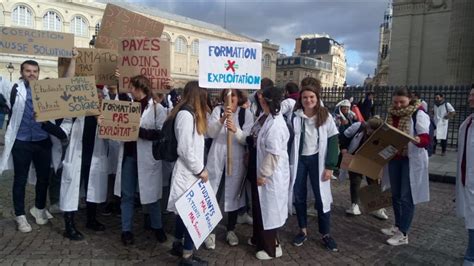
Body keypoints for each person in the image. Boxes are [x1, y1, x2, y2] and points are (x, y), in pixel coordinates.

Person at [0, 51, 76, 233]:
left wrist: (73, 59)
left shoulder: (47, 90)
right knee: (20, 179)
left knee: (44, 178)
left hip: (42, 142)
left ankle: (39, 209)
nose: (32, 74)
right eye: (28, 71)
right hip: (21, 142)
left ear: (39, 73)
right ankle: (20, 216)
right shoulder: (13, 89)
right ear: (22, 72)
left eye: (35, 71)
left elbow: (67, 83)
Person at [111, 75, 167, 245]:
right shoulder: (127, 106)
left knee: (152, 195)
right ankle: (126, 230)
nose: (129, 90)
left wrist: (139, 131)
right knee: (127, 195)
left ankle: (157, 227)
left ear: (138, 87)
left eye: (131, 87)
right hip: (129, 155)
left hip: (147, 158)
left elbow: (161, 133)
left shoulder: (157, 108)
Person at [288, 85, 339, 251]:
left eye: (311, 97)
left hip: (318, 160)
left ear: (317, 98)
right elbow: (288, 141)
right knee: (299, 195)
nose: (308, 100)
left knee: (321, 197)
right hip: (300, 161)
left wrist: (330, 166)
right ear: (300, 100)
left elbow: (333, 140)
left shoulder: (325, 116)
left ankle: (325, 234)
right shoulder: (295, 118)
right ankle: (302, 230)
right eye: (305, 98)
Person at [381, 87, 430, 246]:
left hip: (410, 159)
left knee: (406, 197)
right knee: (395, 194)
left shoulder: (418, 113)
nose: (398, 105)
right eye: (395, 102)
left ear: (410, 99)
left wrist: (417, 139)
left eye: (402, 101)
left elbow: (425, 139)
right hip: (394, 158)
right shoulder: (391, 113)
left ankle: (403, 233)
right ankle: (397, 225)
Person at [205, 89, 254, 249]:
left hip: (236, 160)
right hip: (218, 159)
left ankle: (230, 229)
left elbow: (248, 139)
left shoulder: (245, 114)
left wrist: (235, 130)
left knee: (234, 195)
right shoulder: (217, 110)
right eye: (227, 94)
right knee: (214, 195)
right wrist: (222, 120)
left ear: (239, 97)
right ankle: (210, 232)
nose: (230, 98)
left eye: (233, 95)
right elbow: (210, 133)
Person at [167, 81, 209, 266]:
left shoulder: (191, 114)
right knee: (192, 215)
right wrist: (200, 170)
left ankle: (177, 244)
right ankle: (187, 256)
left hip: (190, 173)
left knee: (183, 212)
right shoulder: (185, 115)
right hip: (188, 173)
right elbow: (184, 149)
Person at [60, 88, 109, 241]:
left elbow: (114, 135)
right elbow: (64, 130)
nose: (99, 99)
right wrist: (45, 124)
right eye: (96, 96)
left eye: (101, 96)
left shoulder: (105, 116)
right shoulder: (76, 113)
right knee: (71, 190)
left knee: (92, 188)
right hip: (77, 158)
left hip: (94, 158)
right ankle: (69, 226)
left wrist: (100, 121)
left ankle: (91, 219)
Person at [249, 86, 289, 260]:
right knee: (261, 207)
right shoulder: (268, 117)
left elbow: (273, 153)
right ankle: (259, 238)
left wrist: (263, 175)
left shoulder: (275, 124)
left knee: (269, 210)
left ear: (264, 100)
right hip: (265, 169)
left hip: (270, 174)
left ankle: (271, 247)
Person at [340, 117, 388, 220]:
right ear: (366, 126)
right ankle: (354, 205)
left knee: (374, 182)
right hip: (355, 156)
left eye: (374, 130)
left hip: (371, 159)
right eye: (369, 129)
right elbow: (344, 136)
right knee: (355, 181)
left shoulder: (383, 134)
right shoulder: (357, 126)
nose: (370, 132)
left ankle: (376, 208)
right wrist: (343, 148)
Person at [456, 86, 474, 265]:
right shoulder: (469, 120)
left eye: (473, 96)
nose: (469, 98)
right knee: (471, 216)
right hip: (467, 178)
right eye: (470, 95)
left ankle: (471, 256)